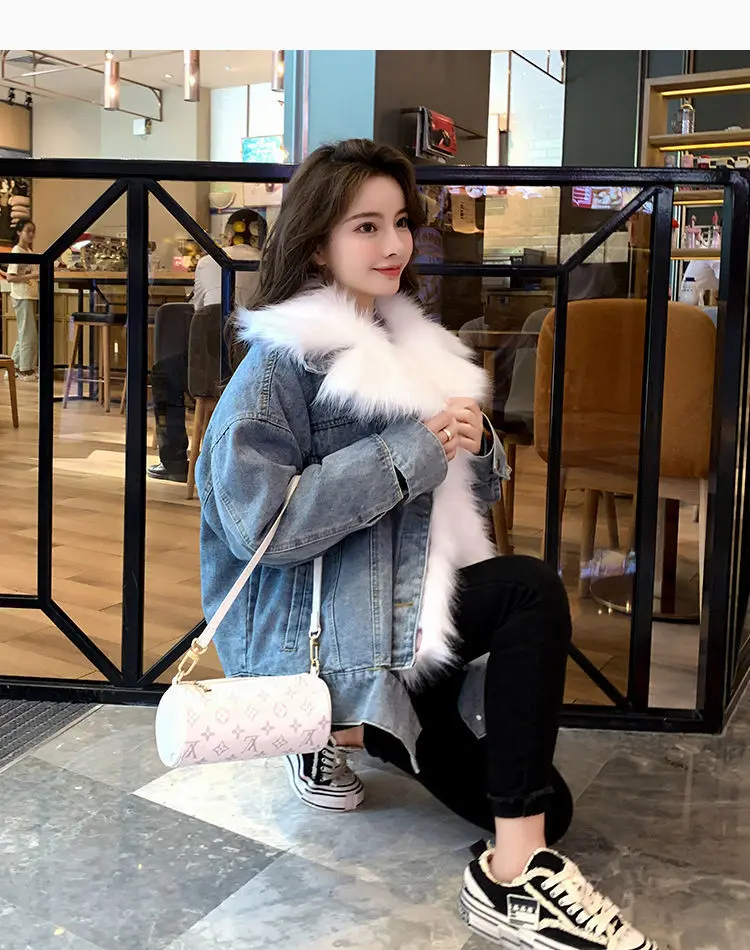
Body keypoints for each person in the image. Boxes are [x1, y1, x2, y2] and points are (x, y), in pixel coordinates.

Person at [195, 140, 659, 950]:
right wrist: (407, 452)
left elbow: (452, 504)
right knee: (528, 591)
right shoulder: (278, 366)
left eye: (401, 223)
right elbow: (260, 528)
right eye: (366, 226)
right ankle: (509, 879)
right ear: (317, 243)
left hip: (409, 610)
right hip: (336, 633)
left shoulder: (413, 345)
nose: (394, 245)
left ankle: (358, 732)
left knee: (548, 807)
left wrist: (476, 446)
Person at [148, 209, 266, 483]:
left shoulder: (207, 262)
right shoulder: (271, 264)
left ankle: (175, 462)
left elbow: (199, 310)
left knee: (164, 374)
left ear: (227, 234)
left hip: (208, 363)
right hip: (254, 367)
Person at [0, 219, 38, 380]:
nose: (31, 234)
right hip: (22, 296)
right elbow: (10, 277)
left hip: (28, 295)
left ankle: (12, 367)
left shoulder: (28, 251)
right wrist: (32, 275)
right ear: (19, 232)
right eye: (28, 231)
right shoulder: (17, 251)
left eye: (33, 231)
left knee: (25, 332)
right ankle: (25, 370)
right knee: (28, 334)